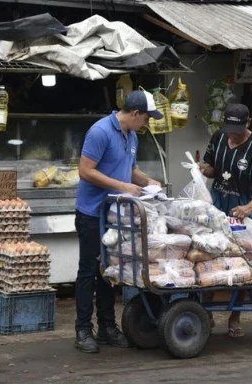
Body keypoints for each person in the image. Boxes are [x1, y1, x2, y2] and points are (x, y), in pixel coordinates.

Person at [74, 90, 163, 353]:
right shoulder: (100, 132)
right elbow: (85, 170)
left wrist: (148, 182)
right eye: (146, 118)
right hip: (92, 213)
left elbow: (130, 169)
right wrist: (122, 185)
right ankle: (82, 329)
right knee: (89, 270)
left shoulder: (132, 135)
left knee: (109, 272)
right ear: (135, 114)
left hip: (116, 215)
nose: (147, 124)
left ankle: (107, 328)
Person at [200, 103, 252, 338]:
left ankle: (235, 316)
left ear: (248, 123)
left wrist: (250, 206)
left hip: (242, 210)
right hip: (217, 206)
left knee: (243, 262)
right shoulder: (219, 137)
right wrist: (202, 170)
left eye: (237, 128)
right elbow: (212, 168)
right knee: (209, 257)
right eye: (229, 128)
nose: (232, 133)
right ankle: (206, 313)